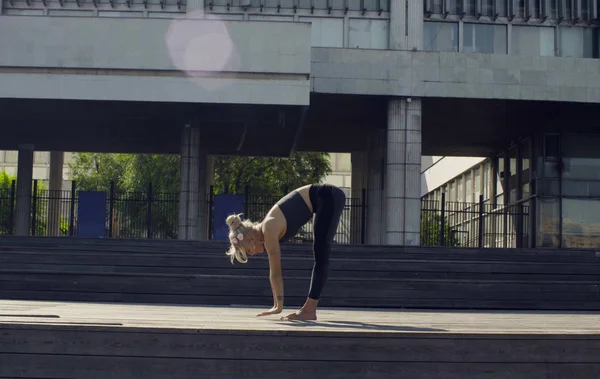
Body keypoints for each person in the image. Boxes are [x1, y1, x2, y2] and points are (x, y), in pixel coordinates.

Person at [225, 183, 346, 321]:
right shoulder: (267, 228)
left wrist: (279, 307)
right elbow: (273, 273)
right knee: (320, 251)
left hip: (327, 195)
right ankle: (309, 310)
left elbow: (275, 272)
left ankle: (309, 310)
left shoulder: (268, 229)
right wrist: (276, 305)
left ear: (252, 239)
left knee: (321, 252)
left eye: (248, 251)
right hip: (322, 199)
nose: (252, 254)